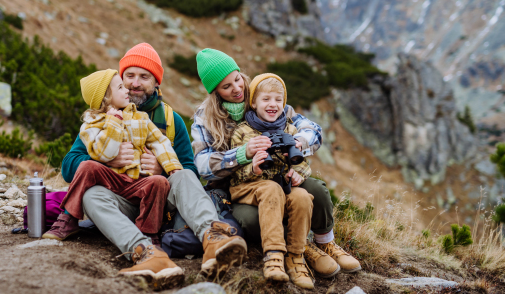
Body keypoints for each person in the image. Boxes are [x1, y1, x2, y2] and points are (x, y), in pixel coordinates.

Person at [59, 43, 247, 288]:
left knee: (182, 176)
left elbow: (191, 171)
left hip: (160, 200)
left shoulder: (171, 121)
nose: (135, 83)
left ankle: (214, 239)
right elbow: (68, 167)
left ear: (156, 82)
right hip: (122, 202)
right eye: (129, 76)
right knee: (92, 196)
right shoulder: (101, 116)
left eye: (144, 77)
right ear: (120, 79)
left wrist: (162, 168)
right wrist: (106, 159)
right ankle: (147, 254)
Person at [192, 48, 361, 278]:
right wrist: (242, 155)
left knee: (317, 191)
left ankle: (325, 242)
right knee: (251, 219)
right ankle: (300, 248)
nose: (237, 88)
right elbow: (202, 165)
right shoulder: (206, 117)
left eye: (237, 78)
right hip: (241, 185)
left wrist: (298, 142)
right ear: (215, 92)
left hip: (280, 176)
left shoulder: (262, 94)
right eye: (226, 86)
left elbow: (313, 130)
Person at [43, 69, 183, 245]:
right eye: (121, 86)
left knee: (159, 182)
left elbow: (160, 142)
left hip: (137, 183)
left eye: (144, 76)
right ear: (106, 98)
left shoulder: (142, 118)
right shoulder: (91, 123)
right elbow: (104, 153)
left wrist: (169, 167)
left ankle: (148, 234)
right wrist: (113, 123)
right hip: (111, 183)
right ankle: (68, 218)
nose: (128, 89)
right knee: (87, 166)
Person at [229, 73, 315, 289]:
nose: (273, 104)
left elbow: (302, 162)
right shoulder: (242, 131)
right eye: (266, 99)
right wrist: (253, 167)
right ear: (254, 102)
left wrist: (299, 173)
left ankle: (296, 257)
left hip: (281, 186)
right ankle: (274, 256)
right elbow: (233, 172)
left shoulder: (289, 129)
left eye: (278, 100)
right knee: (269, 188)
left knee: (303, 196)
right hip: (247, 185)